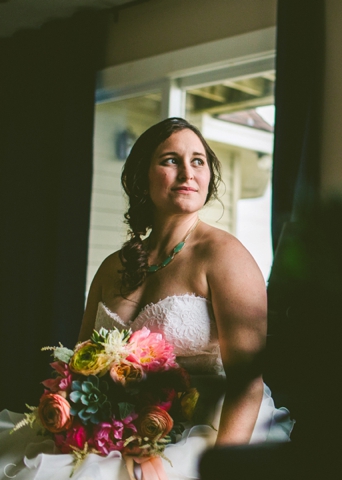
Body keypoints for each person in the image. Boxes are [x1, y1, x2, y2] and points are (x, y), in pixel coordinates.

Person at [0, 118, 293, 479]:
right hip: (114, 431)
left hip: (204, 430)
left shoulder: (225, 257)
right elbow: (78, 365)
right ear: (142, 177)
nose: (188, 172)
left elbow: (246, 384)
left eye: (198, 161)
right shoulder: (114, 267)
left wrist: (222, 470)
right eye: (171, 160)